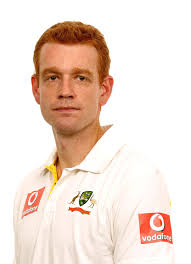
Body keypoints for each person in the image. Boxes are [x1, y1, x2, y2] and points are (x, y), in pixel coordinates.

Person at [13, 21, 174, 264]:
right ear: (37, 89)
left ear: (104, 89)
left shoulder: (136, 179)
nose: (65, 91)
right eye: (53, 77)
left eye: (80, 78)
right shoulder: (29, 187)